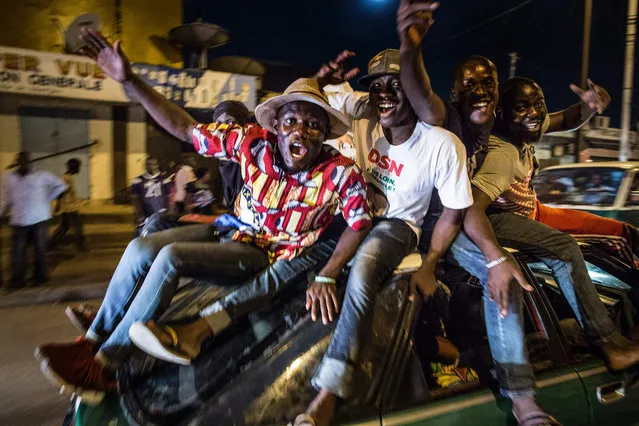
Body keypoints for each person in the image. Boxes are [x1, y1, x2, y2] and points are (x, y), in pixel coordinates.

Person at [35, 29, 372, 403]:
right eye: (292, 121)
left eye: (313, 125)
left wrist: (327, 273)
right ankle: (95, 339)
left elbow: (359, 223)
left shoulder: (340, 171)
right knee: (141, 248)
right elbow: (184, 127)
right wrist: (130, 80)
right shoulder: (251, 142)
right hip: (231, 230)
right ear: (275, 126)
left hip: (267, 253)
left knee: (171, 258)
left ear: (324, 134)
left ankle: (106, 367)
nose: (302, 132)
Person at [294, 46, 518, 426]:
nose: (384, 93)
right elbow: (299, 106)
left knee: (364, 271)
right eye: (376, 86)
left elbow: (453, 213)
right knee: (296, 252)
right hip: (355, 216)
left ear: (413, 90)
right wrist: (320, 79)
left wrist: (430, 263)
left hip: (398, 227)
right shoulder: (364, 113)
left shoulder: (443, 145)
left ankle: (330, 390)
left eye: (395, 85)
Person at [0, 152, 67, 289]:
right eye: (22, 162)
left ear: (30, 163)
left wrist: (47, 199)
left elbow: (62, 186)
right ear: (17, 162)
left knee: (40, 250)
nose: (25, 164)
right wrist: (1, 214)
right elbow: (5, 200)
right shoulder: (7, 178)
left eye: (27, 162)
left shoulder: (41, 175)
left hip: (39, 219)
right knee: (18, 252)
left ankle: (40, 277)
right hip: (19, 220)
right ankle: (18, 280)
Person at [212, 100, 251, 209]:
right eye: (219, 123)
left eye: (231, 122)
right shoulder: (222, 158)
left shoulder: (254, 155)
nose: (225, 128)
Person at [49, 158, 85, 251]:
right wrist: (57, 205)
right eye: (78, 167)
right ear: (74, 168)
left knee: (64, 227)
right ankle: (80, 245)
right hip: (69, 207)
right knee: (78, 226)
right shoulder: (66, 178)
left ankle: (51, 243)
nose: (79, 169)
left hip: (67, 207)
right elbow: (60, 192)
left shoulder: (68, 177)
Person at [130, 156, 171, 233]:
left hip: (161, 212)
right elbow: (135, 199)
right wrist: (138, 213)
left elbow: (169, 197)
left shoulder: (164, 179)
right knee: (143, 234)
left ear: (157, 165)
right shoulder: (138, 180)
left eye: (152, 164)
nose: (150, 166)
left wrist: (170, 211)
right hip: (145, 212)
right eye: (147, 164)